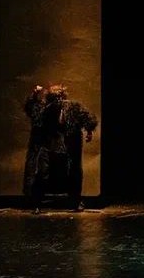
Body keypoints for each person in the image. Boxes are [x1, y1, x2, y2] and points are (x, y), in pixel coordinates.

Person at [25, 84, 96, 213]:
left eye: (59, 97)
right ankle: (36, 203)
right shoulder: (45, 108)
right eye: (54, 97)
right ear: (50, 98)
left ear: (62, 97)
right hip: (49, 145)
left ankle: (76, 201)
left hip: (69, 146)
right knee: (42, 173)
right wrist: (34, 94)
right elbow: (32, 110)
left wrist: (90, 131)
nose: (57, 101)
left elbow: (87, 117)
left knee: (74, 173)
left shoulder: (73, 107)